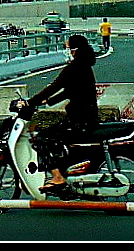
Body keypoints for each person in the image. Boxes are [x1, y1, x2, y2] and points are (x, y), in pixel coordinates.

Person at [25, 33, 100, 194]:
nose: (67, 51)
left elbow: (54, 86)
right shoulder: (84, 66)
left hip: (79, 119)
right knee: (56, 137)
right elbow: (70, 91)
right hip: (87, 116)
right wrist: (48, 102)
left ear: (75, 49)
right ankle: (65, 170)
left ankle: (58, 177)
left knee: (41, 139)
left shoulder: (73, 68)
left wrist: (30, 102)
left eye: (68, 48)